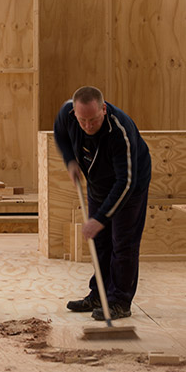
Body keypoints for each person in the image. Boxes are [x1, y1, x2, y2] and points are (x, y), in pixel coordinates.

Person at [52, 85, 151, 320]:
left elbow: (125, 183)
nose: (87, 126)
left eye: (93, 120)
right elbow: (60, 131)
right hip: (97, 181)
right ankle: (99, 295)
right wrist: (70, 161)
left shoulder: (120, 131)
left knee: (122, 244)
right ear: (74, 112)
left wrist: (100, 218)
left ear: (103, 110)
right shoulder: (68, 113)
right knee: (100, 243)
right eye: (82, 120)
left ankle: (119, 301)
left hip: (129, 186)